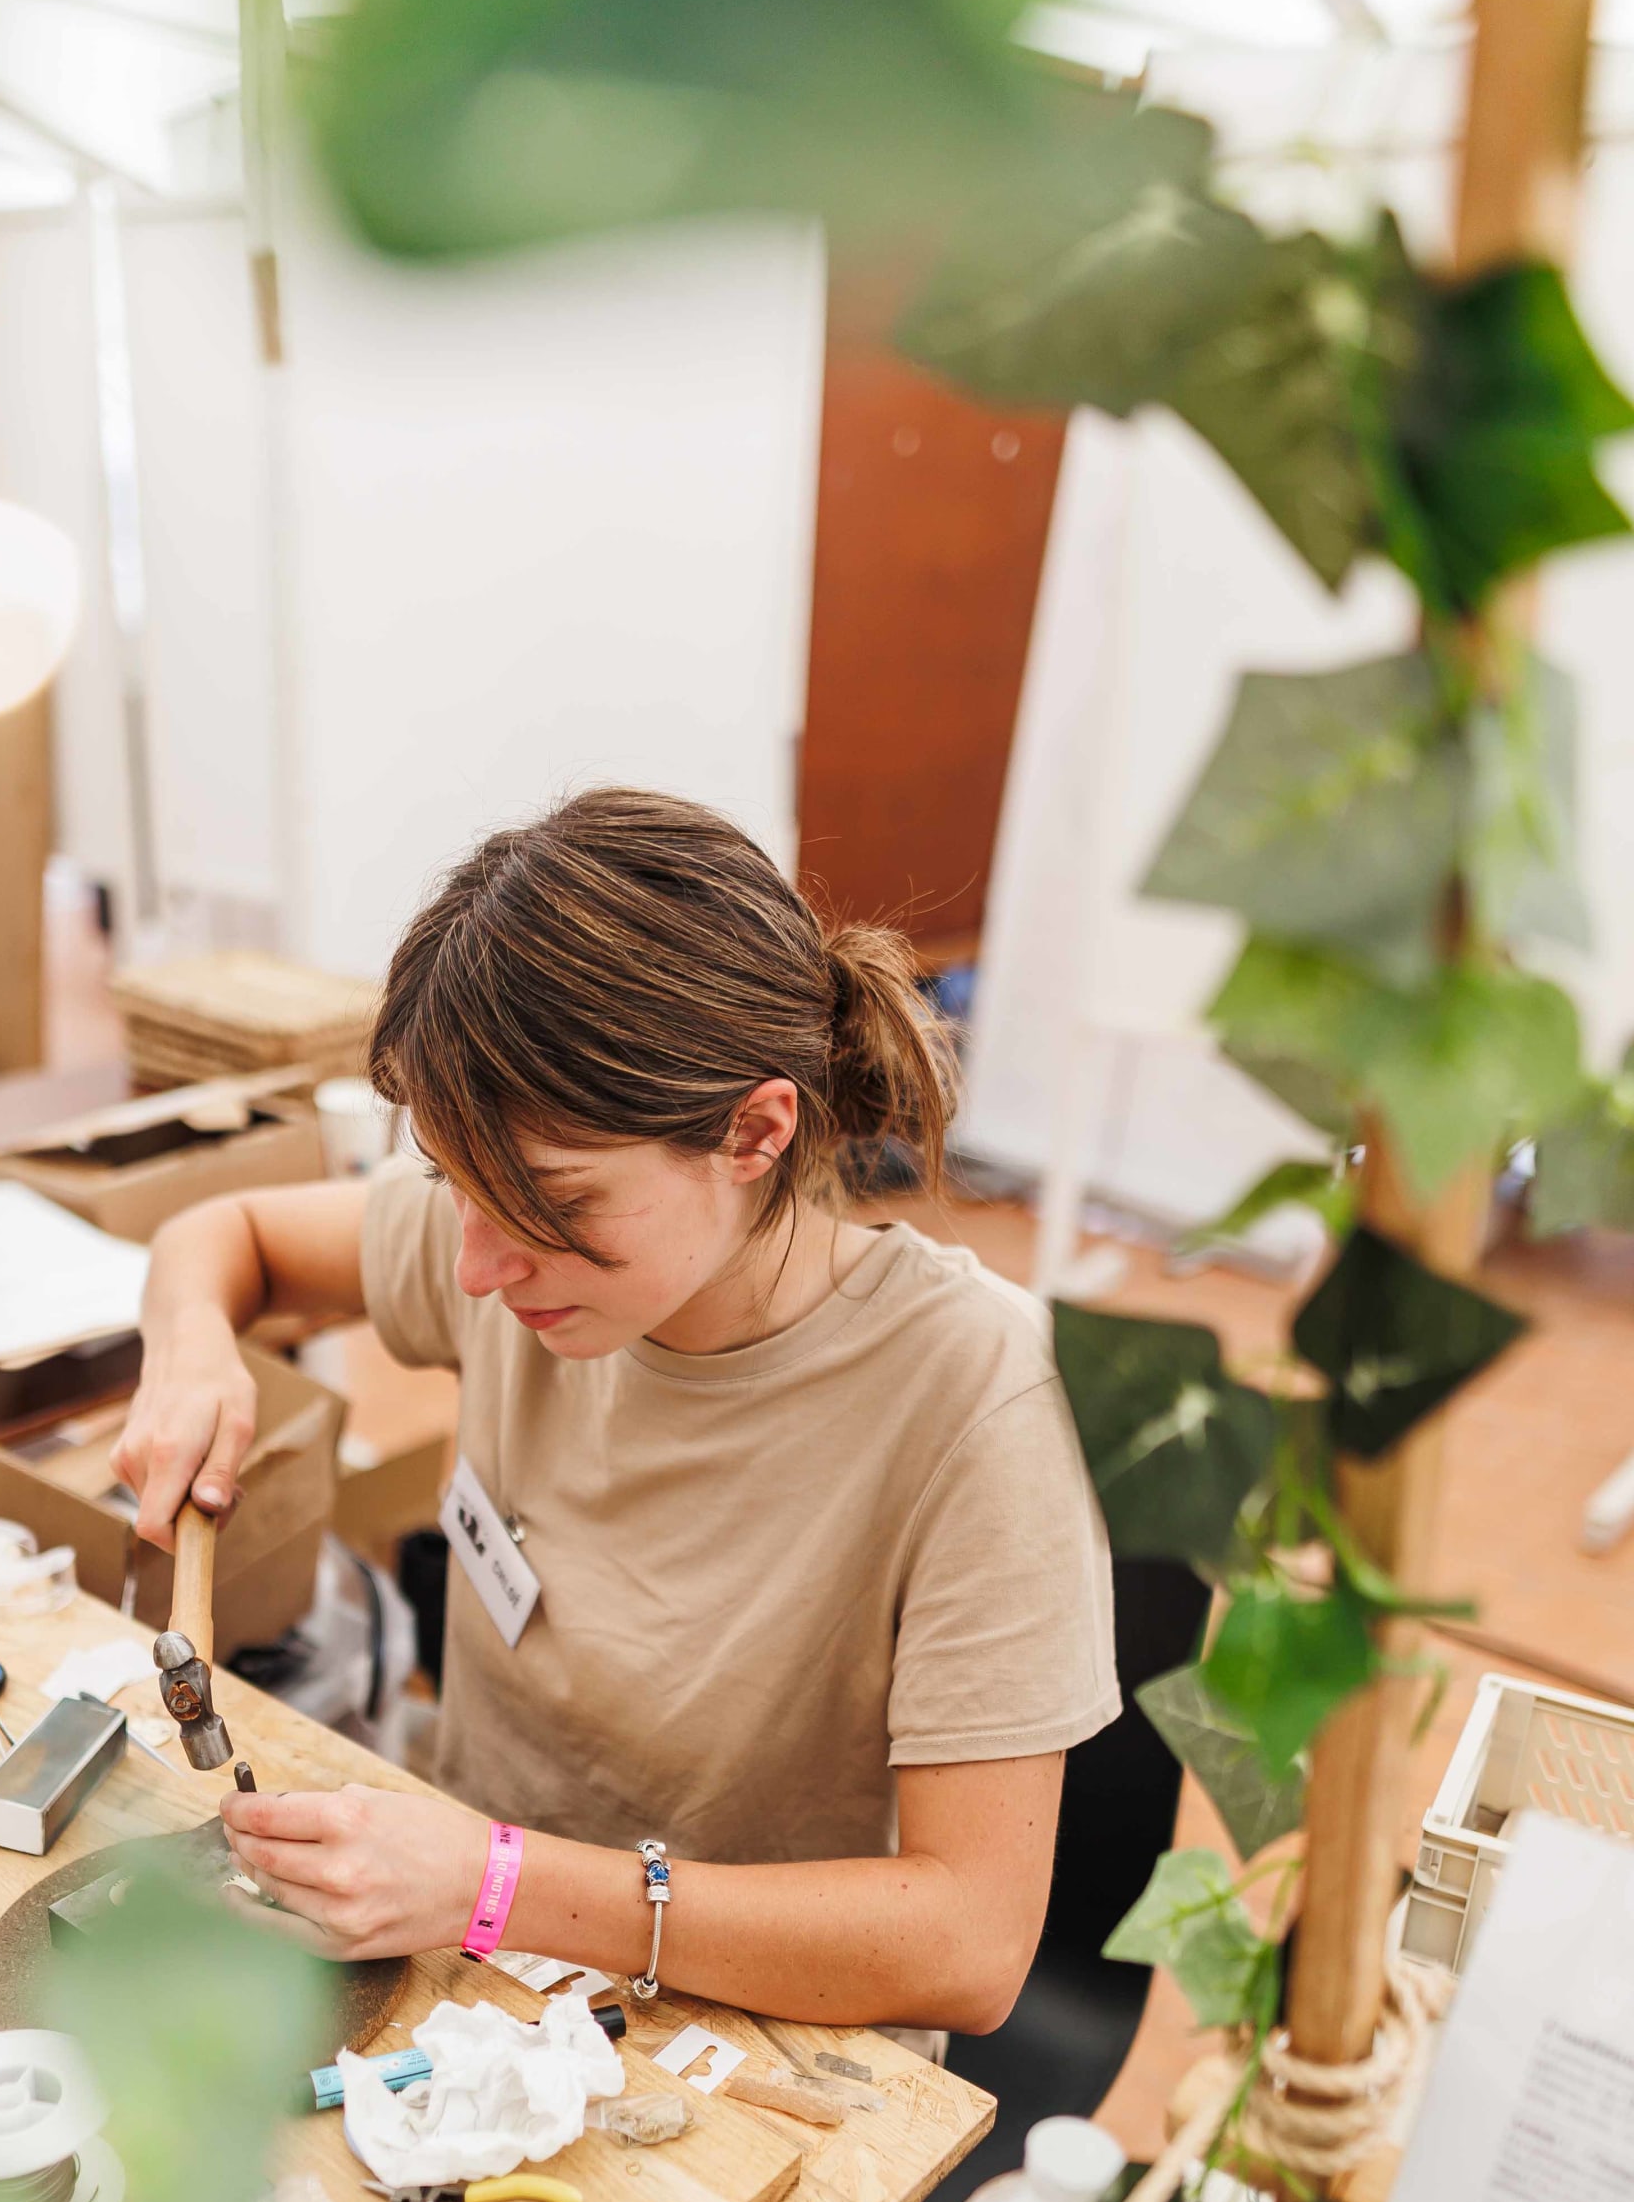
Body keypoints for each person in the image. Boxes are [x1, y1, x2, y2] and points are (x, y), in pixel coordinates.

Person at [115, 789, 1117, 2037]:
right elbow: (224, 1236)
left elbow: (966, 1946)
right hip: (470, 1967)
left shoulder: (980, 1397)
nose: (476, 1266)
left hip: (746, 2040)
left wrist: (494, 1884)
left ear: (754, 1132)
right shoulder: (514, 1231)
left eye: (550, 1203)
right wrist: (191, 1349)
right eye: (451, 1183)